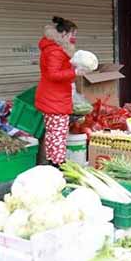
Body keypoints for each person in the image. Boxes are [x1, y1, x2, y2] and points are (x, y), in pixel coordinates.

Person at [35, 16, 78, 166]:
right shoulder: (56, 51)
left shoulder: (53, 48)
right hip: (54, 98)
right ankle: (58, 166)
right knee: (58, 134)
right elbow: (53, 74)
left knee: (53, 133)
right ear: (64, 34)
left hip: (53, 96)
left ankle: (53, 163)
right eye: (72, 34)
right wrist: (75, 73)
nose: (74, 38)